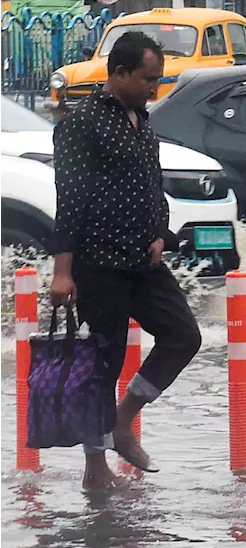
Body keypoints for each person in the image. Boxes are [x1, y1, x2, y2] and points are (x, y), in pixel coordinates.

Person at [49, 31, 202, 489]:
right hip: (99, 262)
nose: (155, 88)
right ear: (118, 74)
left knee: (184, 337)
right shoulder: (83, 124)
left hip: (144, 261)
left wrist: (160, 232)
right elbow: (69, 200)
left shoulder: (142, 118)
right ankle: (95, 468)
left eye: (158, 79)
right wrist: (62, 271)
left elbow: (153, 184)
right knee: (103, 362)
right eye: (147, 79)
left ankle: (122, 419)